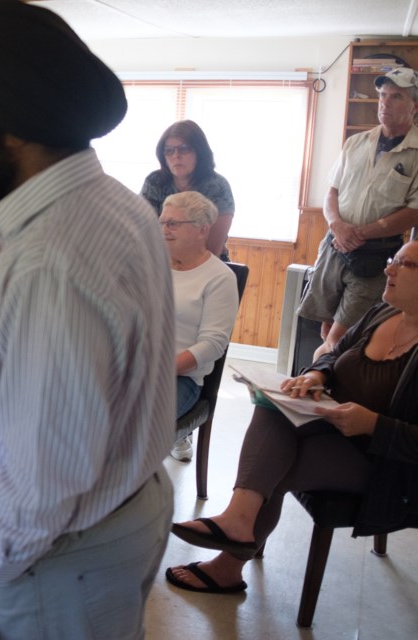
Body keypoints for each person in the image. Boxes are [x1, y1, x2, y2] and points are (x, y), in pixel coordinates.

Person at [0, 1, 175, 636]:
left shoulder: (51, 260)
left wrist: (9, 563)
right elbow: (15, 286)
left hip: (65, 554)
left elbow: (49, 478)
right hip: (121, 513)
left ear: (15, 130)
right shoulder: (114, 205)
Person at [167, 239, 418, 595]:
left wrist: (373, 425)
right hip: (333, 428)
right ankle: (237, 524)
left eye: (405, 265)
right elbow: (333, 356)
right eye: (393, 260)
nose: (388, 269)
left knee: (275, 465)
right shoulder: (383, 313)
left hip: (383, 462)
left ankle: (231, 551)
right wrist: (315, 377)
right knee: (273, 404)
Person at [297, 67, 418, 360]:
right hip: (334, 246)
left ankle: (310, 387)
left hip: (373, 256)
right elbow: (331, 193)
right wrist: (337, 225)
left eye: (396, 97)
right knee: (326, 330)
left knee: (342, 337)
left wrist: (360, 233)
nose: (385, 103)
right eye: (382, 96)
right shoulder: (356, 143)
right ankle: (321, 387)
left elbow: (413, 212)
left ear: (414, 105)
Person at [163, 192, 240, 462]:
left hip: (179, 379)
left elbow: (212, 345)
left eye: (173, 224)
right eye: (161, 223)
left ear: (202, 230)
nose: (164, 230)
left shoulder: (219, 278)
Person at [140, 120, 235, 259]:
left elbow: (212, 248)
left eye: (184, 149)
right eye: (169, 150)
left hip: (206, 264)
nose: (176, 156)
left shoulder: (217, 186)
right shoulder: (155, 181)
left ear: (199, 152)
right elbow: (145, 234)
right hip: (160, 262)